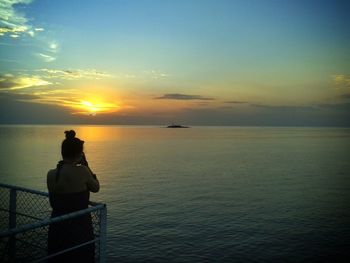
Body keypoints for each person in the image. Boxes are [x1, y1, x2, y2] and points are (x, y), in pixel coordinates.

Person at [47, 130, 100, 263]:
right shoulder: (82, 171)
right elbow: (96, 187)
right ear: (79, 154)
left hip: (56, 225)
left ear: (63, 152)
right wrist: (87, 166)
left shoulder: (51, 174)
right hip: (79, 228)